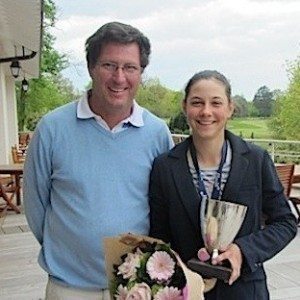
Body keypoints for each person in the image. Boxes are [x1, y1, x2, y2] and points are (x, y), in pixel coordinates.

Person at [23, 22, 174, 299]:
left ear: (141, 72)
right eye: (109, 65)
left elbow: (165, 206)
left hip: (136, 288)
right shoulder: (52, 129)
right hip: (69, 288)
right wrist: (69, 251)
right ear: (91, 67)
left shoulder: (157, 133)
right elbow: (35, 206)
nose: (119, 78)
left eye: (130, 67)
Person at [149, 70, 297, 300]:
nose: (206, 111)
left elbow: (286, 222)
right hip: (186, 292)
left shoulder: (256, 160)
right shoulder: (165, 167)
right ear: (184, 107)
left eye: (215, 103)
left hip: (245, 291)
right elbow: (159, 235)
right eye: (197, 102)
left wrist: (243, 251)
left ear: (230, 108)